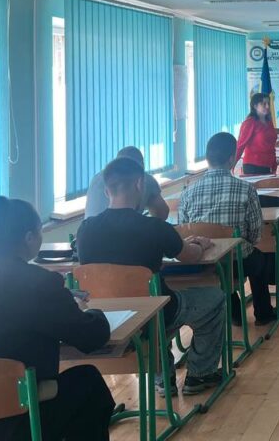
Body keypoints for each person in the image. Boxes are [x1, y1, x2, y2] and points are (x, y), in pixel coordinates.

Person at [0, 197, 114, 440]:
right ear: (29, 238)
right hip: (16, 422)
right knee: (90, 383)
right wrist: (90, 311)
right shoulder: (38, 283)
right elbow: (92, 336)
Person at [76, 156, 226, 396]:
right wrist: (200, 244)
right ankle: (201, 373)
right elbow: (190, 256)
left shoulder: (85, 230)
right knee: (214, 298)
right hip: (157, 314)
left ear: (106, 191)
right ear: (139, 185)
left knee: (151, 306)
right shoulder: (155, 228)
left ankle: (162, 378)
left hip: (108, 318)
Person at [179, 132, 276, 327]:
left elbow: (185, 233)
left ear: (207, 158)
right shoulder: (246, 189)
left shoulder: (188, 192)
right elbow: (255, 235)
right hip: (237, 263)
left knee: (222, 268)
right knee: (258, 258)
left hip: (203, 264)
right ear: (232, 159)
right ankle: (263, 313)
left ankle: (235, 313)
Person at [84, 145, 170, 220]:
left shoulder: (96, 178)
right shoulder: (145, 179)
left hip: (90, 231)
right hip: (123, 232)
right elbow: (162, 214)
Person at [236, 92, 278, 175]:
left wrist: (274, 165)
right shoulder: (250, 122)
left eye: (268, 103)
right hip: (252, 166)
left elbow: (271, 146)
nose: (267, 106)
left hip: (268, 165)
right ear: (255, 106)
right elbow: (240, 145)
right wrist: (232, 166)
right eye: (263, 104)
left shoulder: (269, 122)